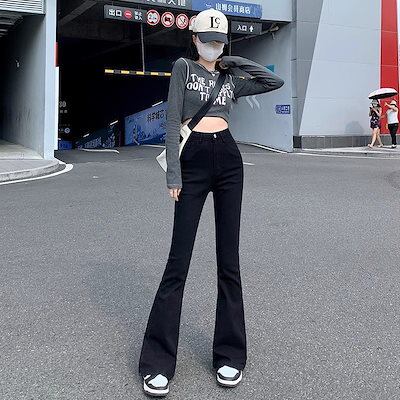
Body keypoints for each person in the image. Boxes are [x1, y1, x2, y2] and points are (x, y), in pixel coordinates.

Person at [138, 8, 284, 398]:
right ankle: (157, 362)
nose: (213, 46)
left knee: (229, 261)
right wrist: (173, 173)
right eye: (208, 40)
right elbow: (172, 121)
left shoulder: (229, 76)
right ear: (194, 39)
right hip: (193, 160)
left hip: (229, 159)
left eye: (219, 42)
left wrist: (233, 60)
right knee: (178, 261)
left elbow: (273, 81)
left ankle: (229, 356)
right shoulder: (183, 67)